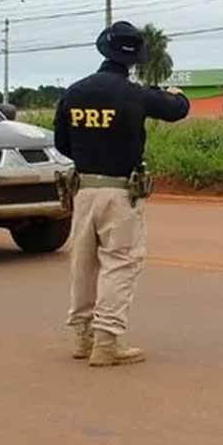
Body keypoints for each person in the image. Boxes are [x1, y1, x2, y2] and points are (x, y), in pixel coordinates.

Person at [54, 21, 190, 367]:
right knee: (120, 263)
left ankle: (81, 337)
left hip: (83, 189)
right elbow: (177, 109)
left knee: (83, 264)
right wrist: (178, 94)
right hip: (120, 193)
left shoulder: (74, 92)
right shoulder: (134, 94)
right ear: (133, 60)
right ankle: (107, 341)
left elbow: (62, 144)